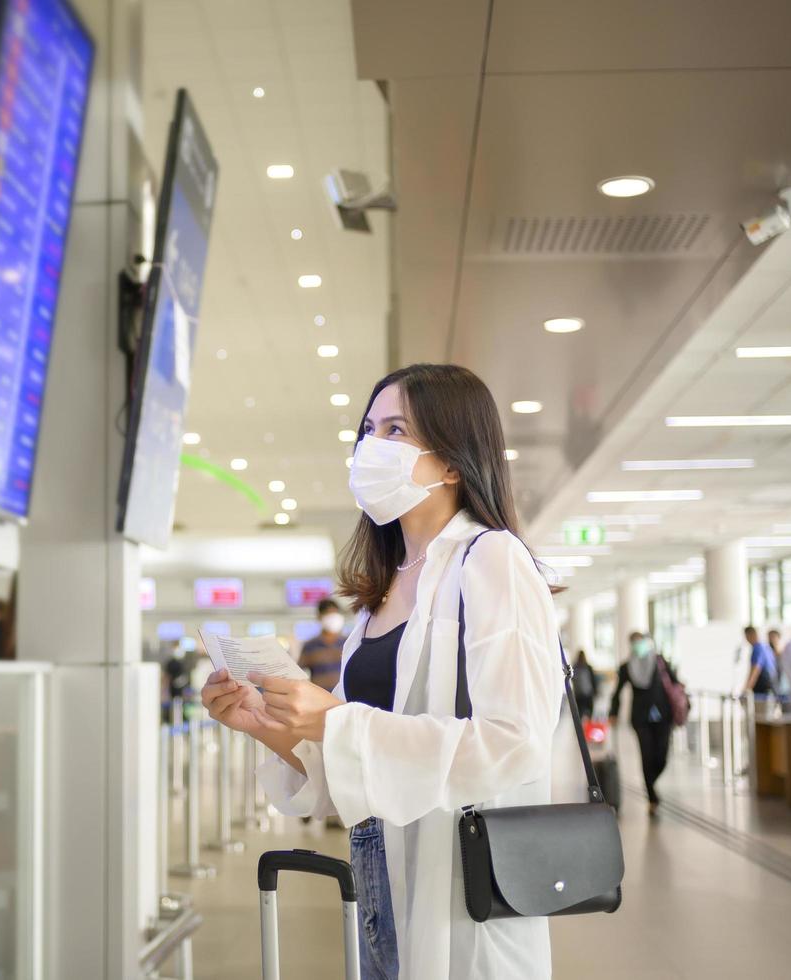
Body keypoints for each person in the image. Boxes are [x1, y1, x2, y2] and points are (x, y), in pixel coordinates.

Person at [201, 364, 584, 979]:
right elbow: (347, 768)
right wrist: (265, 722)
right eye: (368, 430)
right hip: (380, 877)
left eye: (396, 429)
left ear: (453, 460)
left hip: (459, 892)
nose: (370, 447)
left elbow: (514, 744)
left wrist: (339, 721)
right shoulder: (384, 593)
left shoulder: (492, 561)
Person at [608, 631, 676, 817]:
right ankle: (652, 797)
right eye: (634, 642)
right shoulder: (626, 667)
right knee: (646, 757)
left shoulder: (660, 662)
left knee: (661, 757)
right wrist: (613, 713)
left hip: (663, 716)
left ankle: (651, 783)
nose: (638, 645)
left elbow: (674, 683)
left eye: (640, 642)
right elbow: (617, 692)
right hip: (641, 719)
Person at [297, 598, 347, 692]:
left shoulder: (347, 643)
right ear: (319, 617)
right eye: (328, 614)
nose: (333, 619)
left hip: (344, 700)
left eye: (335, 614)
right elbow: (297, 673)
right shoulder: (310, 646)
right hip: (320, 700)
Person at [741, 625, 778, 700]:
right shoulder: (766, 647)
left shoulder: (758, 648)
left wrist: (747, 688)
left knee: (761, 711)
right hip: (773, 686)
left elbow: (756, 669)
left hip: (763, 687)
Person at [572, 649, 597, 720]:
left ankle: (580, 729)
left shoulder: (574, 668)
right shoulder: (588, 667)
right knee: (590, 714)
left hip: (578, 695)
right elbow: (593, 680)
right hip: (588, 694)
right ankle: (588, 728)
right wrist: (595, 692)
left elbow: (573, 681)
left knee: (579, 714)